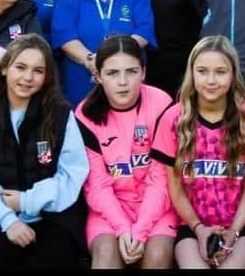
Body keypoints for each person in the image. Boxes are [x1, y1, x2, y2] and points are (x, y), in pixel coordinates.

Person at [0, 33, 89, 268]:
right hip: (0, 216)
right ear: (4, 69)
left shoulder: (60, 115)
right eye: (21, 67)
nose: (28, 77)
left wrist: (27, 201)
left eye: (38, 71)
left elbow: (72, 173)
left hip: (53, 216)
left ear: (47, 77)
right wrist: (8, 220)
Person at [150, 35, 245, 269]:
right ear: (192, 73)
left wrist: (234, 231)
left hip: (241, 226)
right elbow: (174, 186)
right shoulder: (173, 119)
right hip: (191, 226)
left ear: (233, 75)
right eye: (202, 71)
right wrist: (198, 228)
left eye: (221, 72)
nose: (211, 80)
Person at [75, 35, 178, 268]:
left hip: (158, 207)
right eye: (112, 73)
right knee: (105, 256)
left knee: (158, 256)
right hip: (109, 209)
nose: (123, 81)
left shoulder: (162, 104)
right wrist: (122, 228)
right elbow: (97, 185)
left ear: (143, 72)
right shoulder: (85, 114)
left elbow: (161, 179)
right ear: (98, 76)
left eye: (131, 71)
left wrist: (140, 231)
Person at [52, 0, 157, 106]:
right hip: (82, 80)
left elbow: (144, 30)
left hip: (125, 78)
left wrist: (116, 59)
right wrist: (90, 60)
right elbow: (65, 36)